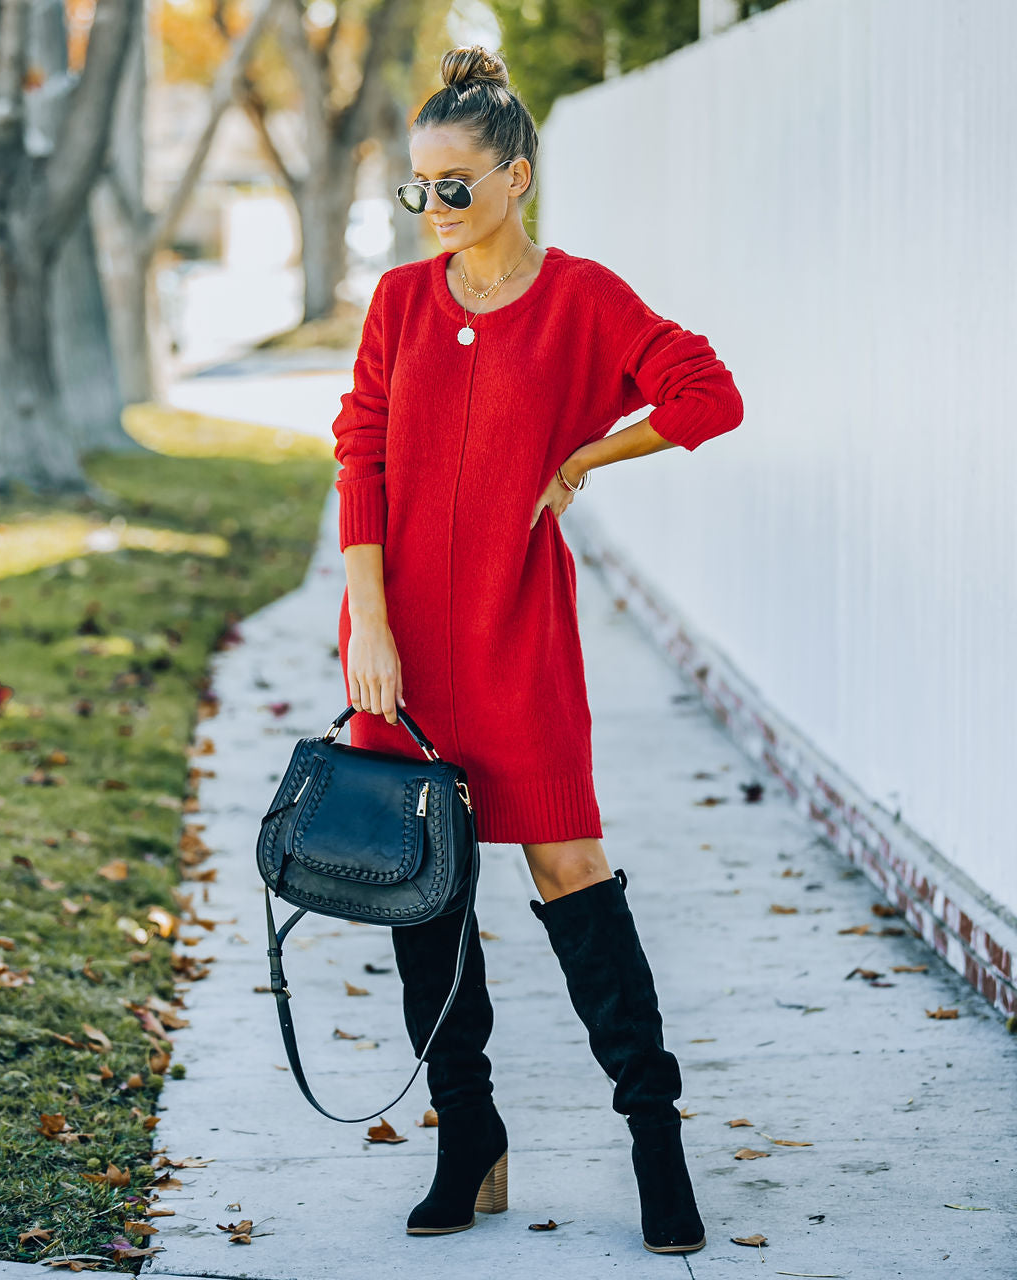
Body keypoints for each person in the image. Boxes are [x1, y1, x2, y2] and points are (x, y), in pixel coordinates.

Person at [331, 44, 743, 1255]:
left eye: (455, 185)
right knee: (424, 883)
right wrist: (369, 624)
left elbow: (705, 394)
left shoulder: (583, 299)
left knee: (571, 870)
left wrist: (581, 459)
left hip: (518, 637)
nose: (435, 210)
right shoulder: (402, 302)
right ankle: (470, 1134)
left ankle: (652, 1134)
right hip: (399, 646)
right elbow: (361, 455)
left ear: (517, 177)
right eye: (418, 188)